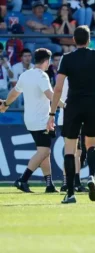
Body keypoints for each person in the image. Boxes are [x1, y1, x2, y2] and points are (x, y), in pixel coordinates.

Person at [47, 26, 95, 204]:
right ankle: (91, 177)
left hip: (73, 105)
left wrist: (52, 113)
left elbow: (58, 88)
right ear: (89, 40)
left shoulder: (67, 58)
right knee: (92, 145)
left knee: (70, 150)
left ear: (74, 40)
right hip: (93, 104)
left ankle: (71, 193)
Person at [0, 49, 64, 193]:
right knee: (44, 151)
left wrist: (5, 105)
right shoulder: (42, 76)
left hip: (30, 120)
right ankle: (22, 179)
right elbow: (51, 95)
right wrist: (66, 106)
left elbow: (14, 92)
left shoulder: (25, 74)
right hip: (41, 120)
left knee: (43, 151)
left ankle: (49, 184)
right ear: (46, 61)